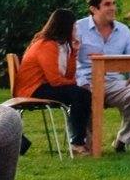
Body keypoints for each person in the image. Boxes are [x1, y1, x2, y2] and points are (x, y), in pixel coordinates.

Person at [76, 0, 130, 153]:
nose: (113, 8)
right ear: (94, 9)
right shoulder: (78, 28)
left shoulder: (123, 30)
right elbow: (70, 60)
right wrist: (82, 82)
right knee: (81, 96)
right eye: (107, 4)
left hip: (114, 82)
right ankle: (86, 144)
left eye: (114, 4)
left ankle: (123, 140)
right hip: (87, 80)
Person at [15, 9, 92, 155]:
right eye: (73, 27)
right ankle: (77, 142)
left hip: (43, 86)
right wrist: (73, 83)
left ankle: (78, 141)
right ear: (65, 27)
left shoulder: (60, 46)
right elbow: (56, 80)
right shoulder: (47, 45)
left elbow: (68, 74)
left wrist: (74, 52)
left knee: (82, 94)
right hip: (33, 89)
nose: (76, 31)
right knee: (81, 94)